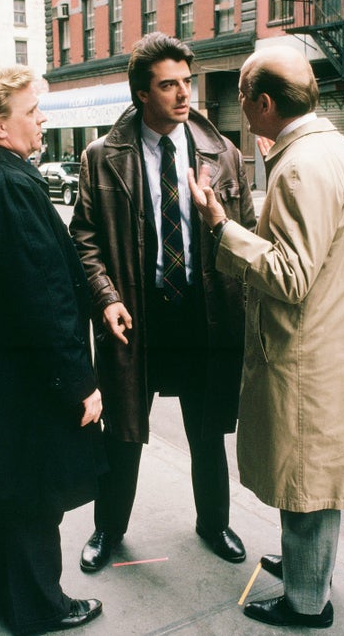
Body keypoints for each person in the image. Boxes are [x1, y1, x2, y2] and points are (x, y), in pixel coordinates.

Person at [188, 46, 344, 629]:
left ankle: (307, 602)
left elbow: (290, 275)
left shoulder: (301, 165)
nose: (238, 108)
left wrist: (221, 226)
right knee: (315, 479)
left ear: (263, 102)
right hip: (338, 347)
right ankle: (308, 568)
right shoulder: (342, 151)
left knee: (306, 483)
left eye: (241, 96)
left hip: (311, 356)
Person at [69, 33, 258, 572]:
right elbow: (83, 237)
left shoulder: (220, 152)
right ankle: (109, 530)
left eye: (187, 82)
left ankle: (214, 524)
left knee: (207, 433)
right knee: (124, 434)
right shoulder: (104, 157)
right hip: (137, 317)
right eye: (168, 84)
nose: (183, 95)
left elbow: (242, 232)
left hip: (204, 316)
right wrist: (105, 298)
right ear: (140, 94)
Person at [0, 66, 106, 634]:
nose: (41, 119)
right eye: (31, 111)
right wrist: (79, 382)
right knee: (33, 491)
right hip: (25, 377)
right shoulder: (12, 186)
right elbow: (44, 297)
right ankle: (43, 606)